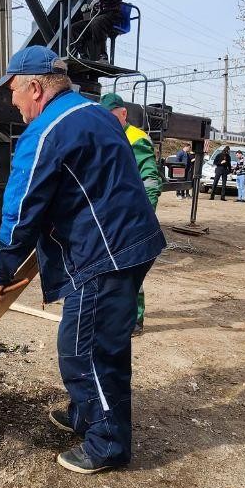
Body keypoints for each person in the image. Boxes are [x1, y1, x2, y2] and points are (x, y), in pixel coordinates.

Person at [0, 45, 166, 474]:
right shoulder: (94, 113)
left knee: (84, 349)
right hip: (129, 242)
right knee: (99, 339)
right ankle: (86, 414)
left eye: (13, 90)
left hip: (106, 253)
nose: (11, 100)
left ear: (34, 88)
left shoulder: (47, 130)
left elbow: (21, 206)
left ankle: (107, 444)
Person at [100, 93, 160, 335]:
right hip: (113, 216)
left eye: (112, 116)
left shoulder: (136, 139)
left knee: (131, 268)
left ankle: (135, 319)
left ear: (123, 113)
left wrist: (145, 216)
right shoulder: (108, 136)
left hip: (133, 218)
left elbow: (150, 181)